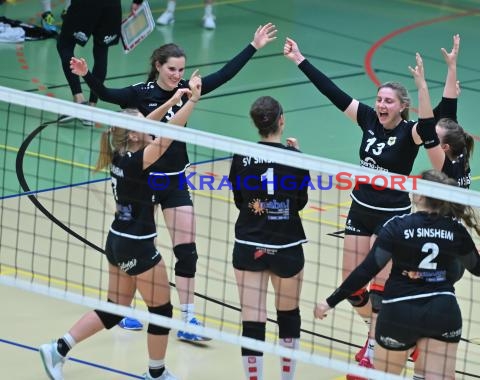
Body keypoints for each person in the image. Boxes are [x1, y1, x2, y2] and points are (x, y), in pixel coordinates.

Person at [69, 23, 278, 341]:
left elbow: (224, 75)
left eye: (180, 69)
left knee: (187, 251)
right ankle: (127, 309)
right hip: (143, 182)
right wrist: (86, 75)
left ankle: (189, 320)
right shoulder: (140, 94)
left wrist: (254, 45)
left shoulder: (188, 90)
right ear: (157, 66)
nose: (176, 75)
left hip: (176, 180)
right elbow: (108, 95)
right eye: (171, 69)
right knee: (141, 246)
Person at [283, 38, 445, 375]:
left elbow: (429, 126)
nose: (382, 105)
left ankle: (374, 345)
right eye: (379, 99)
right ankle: (389, 332)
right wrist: (301, 59)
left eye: (389, 101)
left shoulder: (411, 132)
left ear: (402, 106)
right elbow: (333, 93)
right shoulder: (368, 119)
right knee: (353, 285)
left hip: (392, 217)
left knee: (381, 287)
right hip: (360, 209)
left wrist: (422, 86)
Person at [39, 74, 203, 380]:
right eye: (142, 123)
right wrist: (192, 100)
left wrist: (170, 101)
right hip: (137, 245)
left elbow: (150, 126)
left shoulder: (121, 152)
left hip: (116, 240)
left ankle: (57, 349)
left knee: (116, 308)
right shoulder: (138, 161)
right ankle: (156, 373)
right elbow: (167, 133)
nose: (147, 125)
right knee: (162, 311)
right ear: (135, 134)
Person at [314, 169, 480, 379]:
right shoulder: (455, 230)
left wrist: (330, 301)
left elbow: (366, 270)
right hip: (442, 310)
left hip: (400, 311)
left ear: (419, 196)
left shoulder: (397, 226)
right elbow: (479, 269)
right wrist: (463, 268)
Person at [229, 96, 309, 380]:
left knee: (252, 321)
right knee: (288, 317)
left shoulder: (240, 155)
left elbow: (240, 199)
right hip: (286, 244)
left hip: (249, 242)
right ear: (281, 120)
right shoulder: (296, 158)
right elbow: (299, 202)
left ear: (255, 123)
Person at [56, 0, 143, 126]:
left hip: (86, 5)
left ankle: (79, 100)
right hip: (112, 7)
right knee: (101, 51)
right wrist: (137, 1)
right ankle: (91, 107)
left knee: (65, 44)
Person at [428, 34, 474, 189]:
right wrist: (452, 66)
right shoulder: (461, 151)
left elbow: (425, 121)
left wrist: (421, 85)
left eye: (436, 135)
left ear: (445, 147)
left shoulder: (446, 166)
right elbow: (448, 111)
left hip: (446, 213)